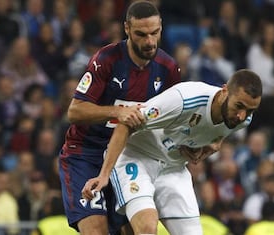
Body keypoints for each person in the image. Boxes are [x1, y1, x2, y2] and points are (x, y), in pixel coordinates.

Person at [82, 69, 262, 235]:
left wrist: (207, 147)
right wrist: (104, 174)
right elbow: (125, 123)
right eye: (239, 106)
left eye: (250, 110)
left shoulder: (243, 119)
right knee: (147, 227)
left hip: (173, 168)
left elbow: (218, 135)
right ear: (224, 92)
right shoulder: (184, 100)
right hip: (136, 156)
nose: (242, 115)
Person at [58, 1, 181, 235]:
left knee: (138, 230)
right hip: (86, 154)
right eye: (141, 34)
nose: (149, 41)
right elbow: (75, 111)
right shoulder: (107, 59)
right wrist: (117, 112)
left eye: (154, 33)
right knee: (97, 231)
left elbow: (173, 117)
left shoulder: (168, 69)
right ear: (126, 29)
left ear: (161, 27)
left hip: (129, 156)